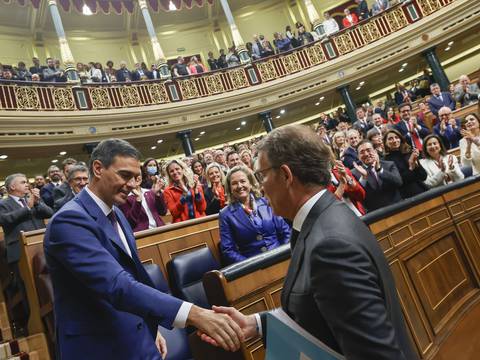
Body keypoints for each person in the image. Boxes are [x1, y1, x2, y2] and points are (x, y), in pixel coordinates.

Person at [201, 125, 418, 359]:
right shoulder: (322, 217)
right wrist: (256, 324)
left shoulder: (331, 247)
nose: (260, 187)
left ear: (286, 175)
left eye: (261, 175)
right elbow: (317, 311)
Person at [44, 139, 243, 360]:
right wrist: (194, 314)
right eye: (125, 175)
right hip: (101, 346)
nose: (132, 184)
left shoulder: (116, 212)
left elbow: (134, 274)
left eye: (136, 177)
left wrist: (152, 326)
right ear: (98, 169)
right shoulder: (69, 221)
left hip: (138, 336)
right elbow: (117, 285)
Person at [0, 173, 53, 335]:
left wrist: (36, 203)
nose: (27, 185)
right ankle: (35, 327)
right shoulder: (4, 203)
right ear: (12, 187)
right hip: (19, 254)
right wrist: (27, 208)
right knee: (28, 290)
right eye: (23, 182)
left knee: (46, 288)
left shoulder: (32, 199)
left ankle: (52, 319)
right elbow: (6, 220)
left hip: (40, 249)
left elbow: (49, 212)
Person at [219, 165, 291, 264]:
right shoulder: (225, 215)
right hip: (252, 268)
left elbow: (285, 232)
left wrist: (284, 255)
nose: (239, 186)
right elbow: (228, 251)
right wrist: (250, 266)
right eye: (234, 183)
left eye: (243, 181)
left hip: (281, 259)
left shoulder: (266, 202)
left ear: (250, 183)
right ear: (230, 188)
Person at [352, 140, 403, 212]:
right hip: (376, 215)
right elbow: (358, 196)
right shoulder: (354, 173)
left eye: (368, 150)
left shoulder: (389, 164)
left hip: (398, 207)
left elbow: (399, 182)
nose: (366, 154)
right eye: (362, 152)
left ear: (375, 151)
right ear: (358, 156)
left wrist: (380, 170)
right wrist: (363, 178)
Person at [383, 129, 428, 198]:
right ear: (385, 143)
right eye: (390, 139)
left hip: (424, 190)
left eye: (396, 137)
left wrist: (416, 164)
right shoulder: (386, 161)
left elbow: (423, 176)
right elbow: (400, 181)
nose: (395, 140)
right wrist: (411, 166)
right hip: (408, 197)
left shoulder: (408, 153)